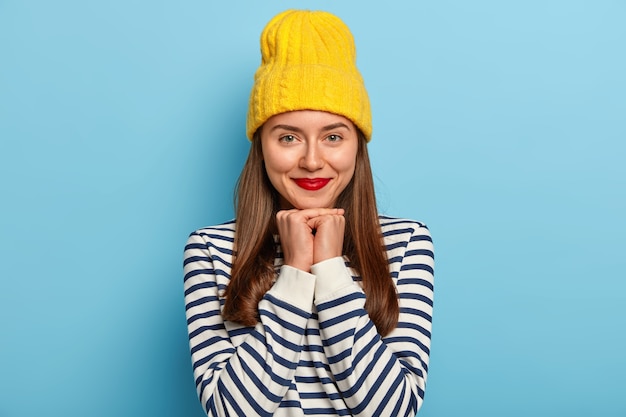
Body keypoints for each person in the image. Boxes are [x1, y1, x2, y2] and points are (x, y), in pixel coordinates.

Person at [183, 9, 434, 417]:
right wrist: (296, 273)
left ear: (358, 146)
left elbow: (394, 410)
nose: (313, 161)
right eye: (288, 137)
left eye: (333, 136)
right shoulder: (211, 250)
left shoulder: (405, 243)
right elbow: (231, 411)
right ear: (261, 146)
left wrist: (331, 267)